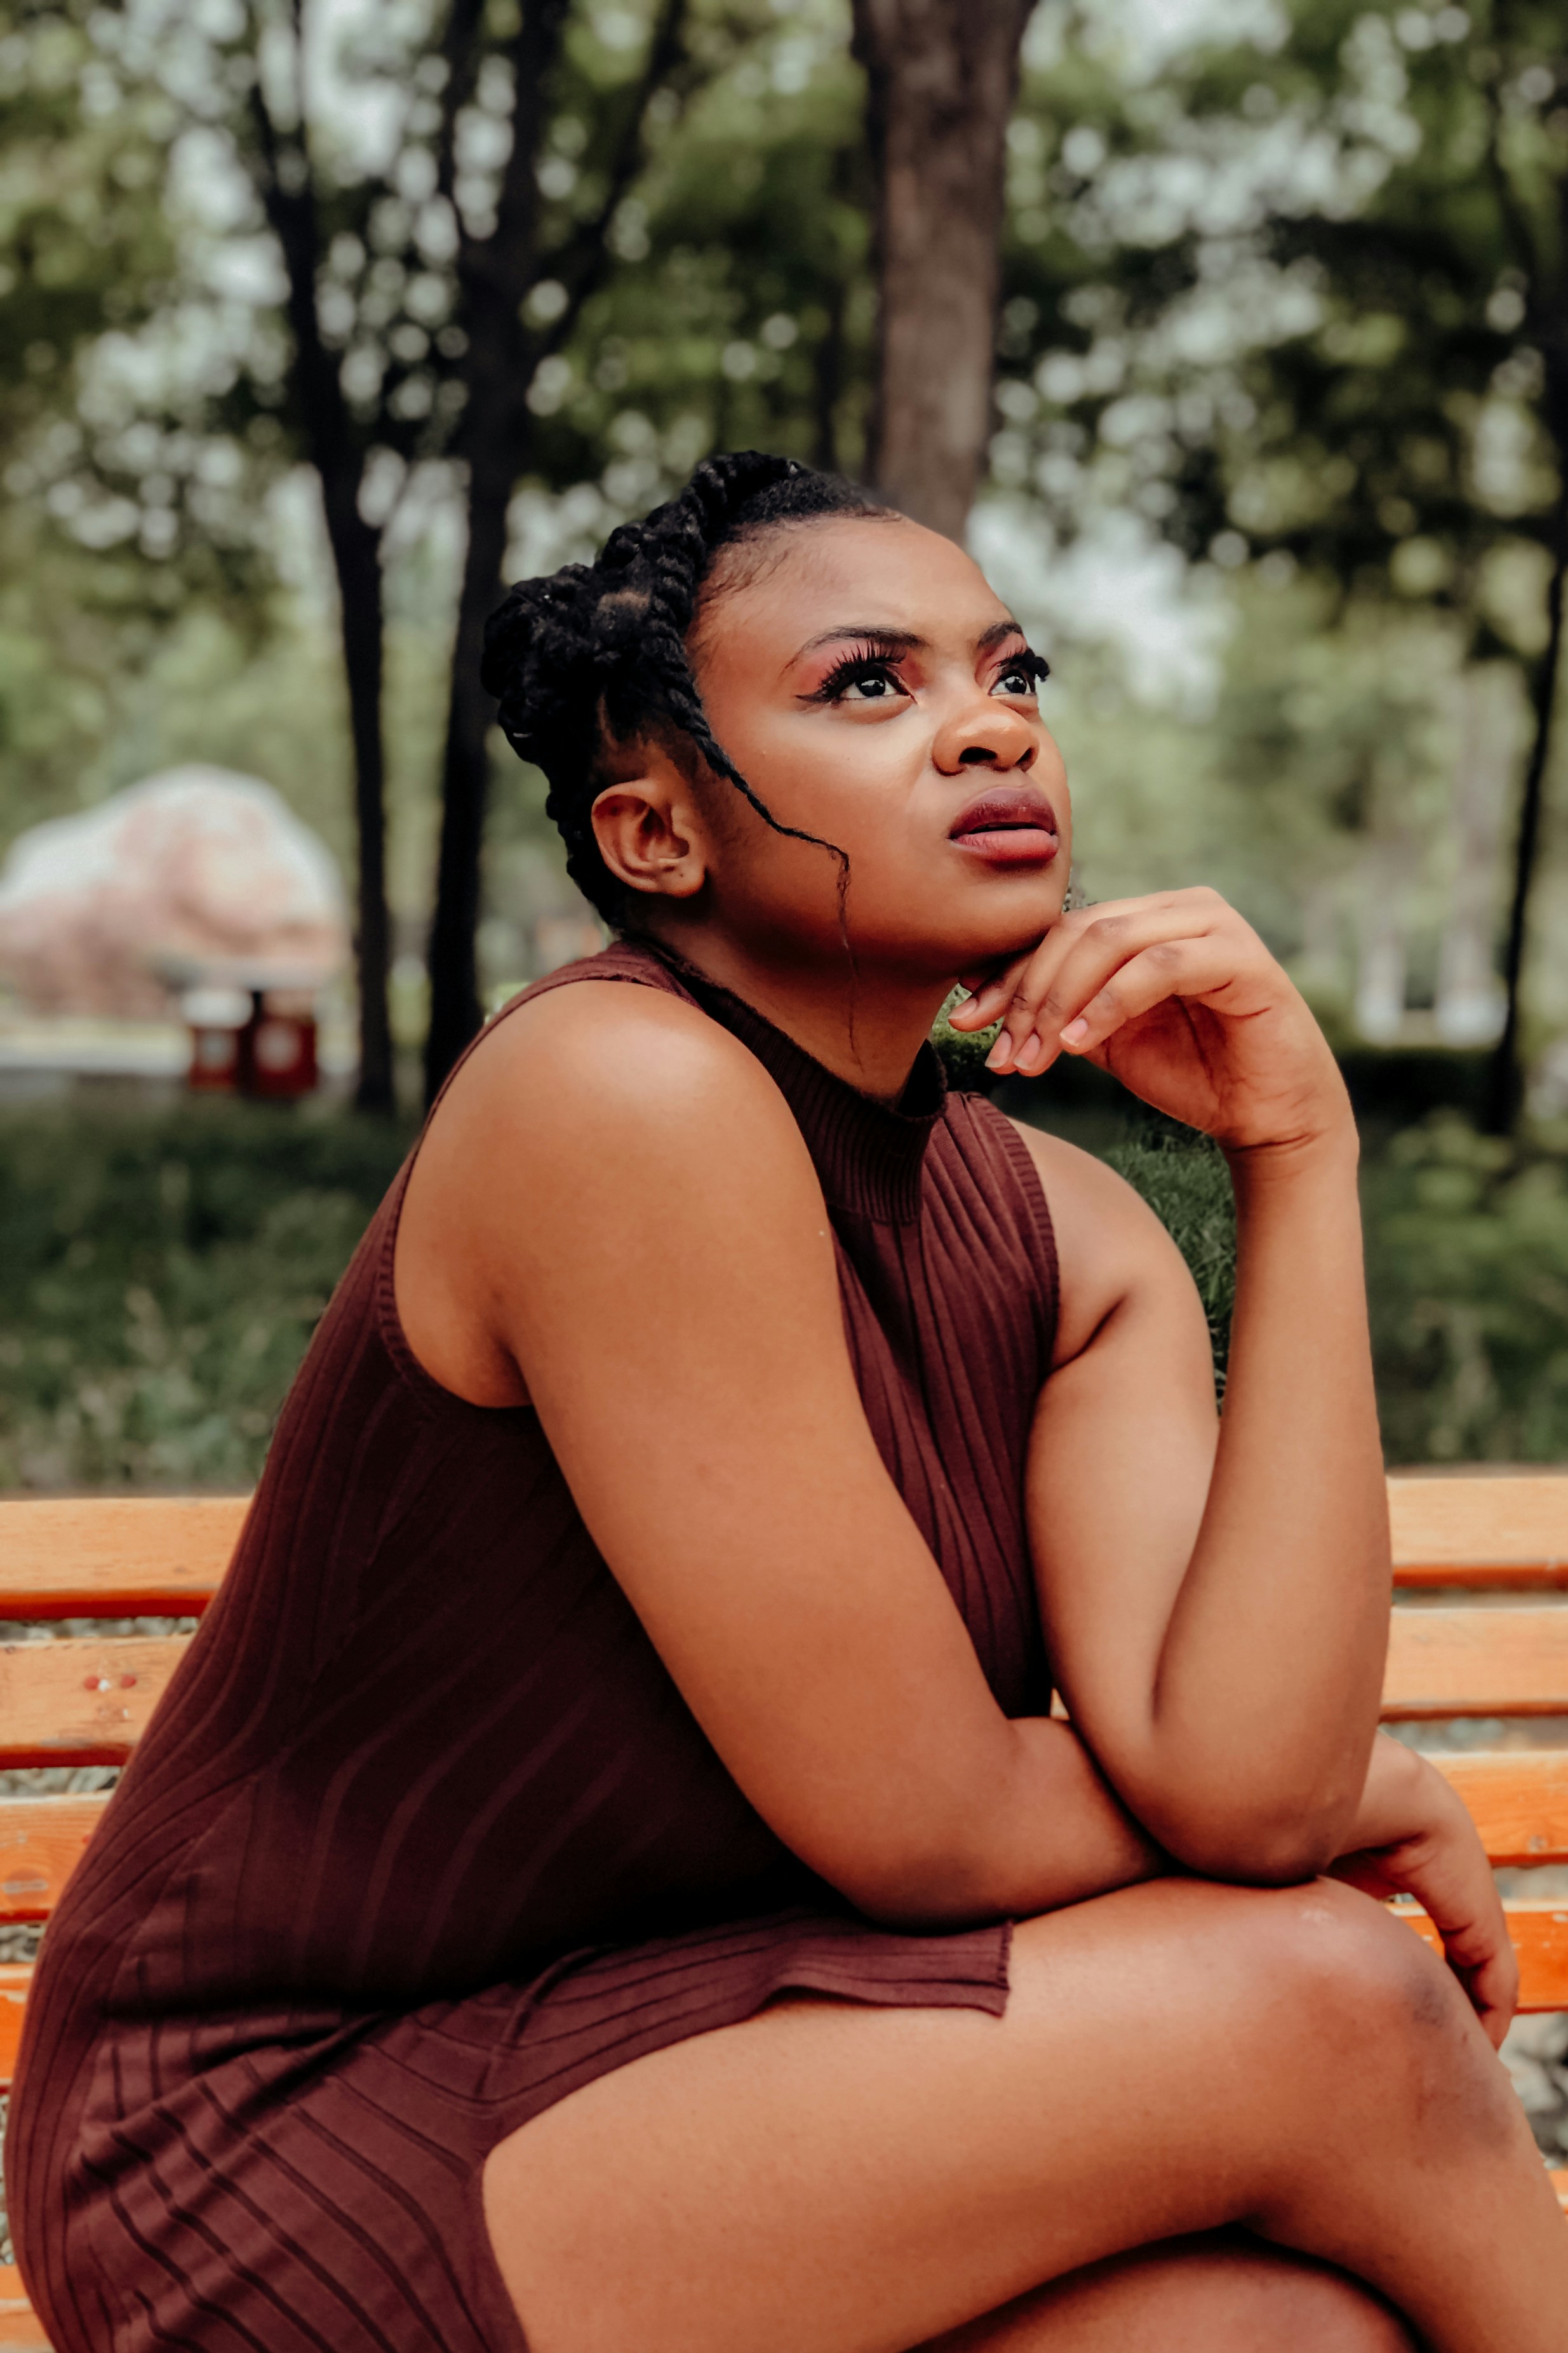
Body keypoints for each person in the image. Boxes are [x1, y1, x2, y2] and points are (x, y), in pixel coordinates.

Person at [10, 453, 1567, 2353]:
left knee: (1282, 2339)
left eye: (1014, 672)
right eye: (869, 685)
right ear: (656, 839)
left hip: (703, 2053)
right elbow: (932, 1824)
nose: (989, 726)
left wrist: (1299, 1158)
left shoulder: (1077, 1240)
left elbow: (1241, 1786)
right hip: (290, 2140)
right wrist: (1383, 1790)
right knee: (1338, 2002)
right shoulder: (615, 1101)